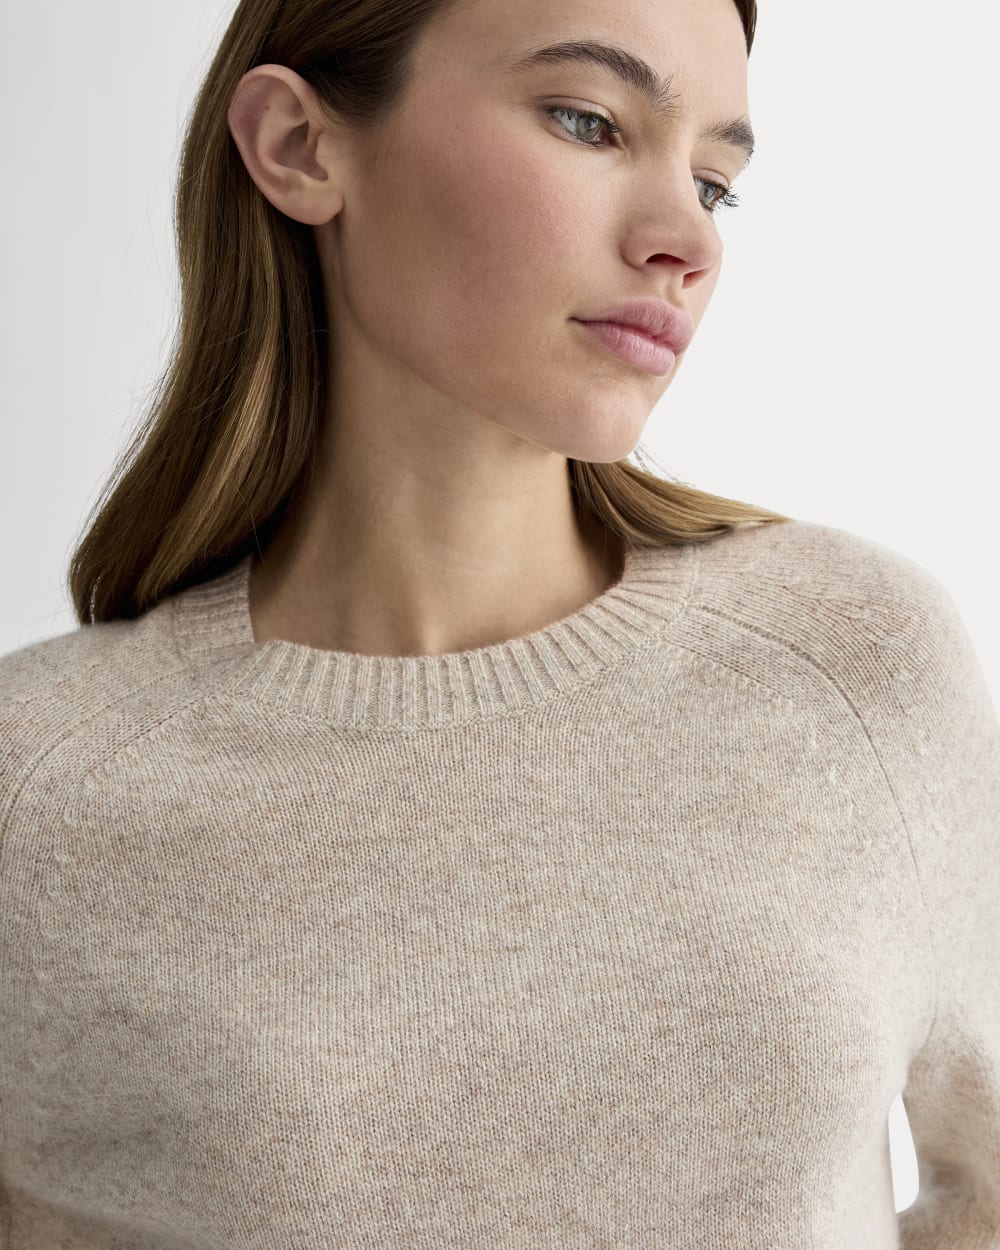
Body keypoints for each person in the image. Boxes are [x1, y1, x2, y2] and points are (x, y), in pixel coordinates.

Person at [1, 0, 997, 1245]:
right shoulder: (38, 787)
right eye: (588, 122)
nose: (686, 238)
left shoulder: (855, 665)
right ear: (299, 147)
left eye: (714, 183)